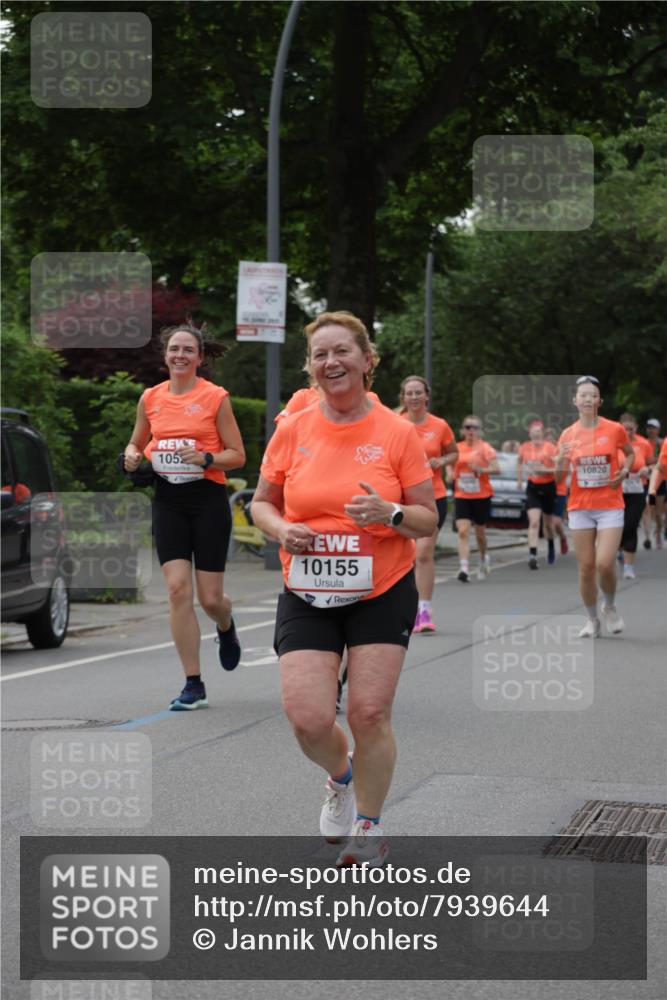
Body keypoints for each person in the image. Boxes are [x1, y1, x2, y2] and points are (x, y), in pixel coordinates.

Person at [251, 311, 436, 866]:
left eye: (342, 351)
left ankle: (370, 825)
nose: (331, 361)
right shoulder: (293, 429)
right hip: (308, 589)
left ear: (366, 360)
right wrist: (282, 529)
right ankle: (341, 777)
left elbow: (427, 518)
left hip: (382, 587)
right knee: (308, 717)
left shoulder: (397, 433)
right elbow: (261, 503)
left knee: (369, 713)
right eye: (320, 354)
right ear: (310, 367)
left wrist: (390, 512)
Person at [123, 321, 246, 709]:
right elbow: (136, 443)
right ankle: (193, 684)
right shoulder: (151, 398)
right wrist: (131, 456)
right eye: (174, 349)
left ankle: (225, 624)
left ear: (200, 357)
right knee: (178, 590)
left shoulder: (215, 397)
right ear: (165, 355)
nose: (180, 355)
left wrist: (206, 458)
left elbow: (238, 455)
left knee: (210, 599)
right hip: (168, 501)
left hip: (207, 500)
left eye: (188, 350)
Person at [554, 377, 634, 638]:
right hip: (580, 507)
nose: (588, 399)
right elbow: (558, 478)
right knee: (586, 567)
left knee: (604, 562)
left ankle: (609, 606)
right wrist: (560, 458)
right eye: (583, 395)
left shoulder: (615, 429)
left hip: (610, 504)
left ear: (600, 401)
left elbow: (630, 454)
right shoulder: (567, 435)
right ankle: (592, 620)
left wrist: (624, 471)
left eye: (593, 395)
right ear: (575, 401)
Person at [398, 375, 458, 632]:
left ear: (427, 396)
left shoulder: (440, 426)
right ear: (403, 398)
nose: (414, 397)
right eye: (409, 393)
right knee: (405, 556)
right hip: (402, 499)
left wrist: (441, 461)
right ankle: (404, 606)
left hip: (433, 497)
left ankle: (423, 610)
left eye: (418, 392)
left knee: (423, 553)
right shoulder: (395, 423)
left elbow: (453, 453)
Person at [453, 417, 499, 582]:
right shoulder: (457, 448)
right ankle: (464, 568)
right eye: (468, 427)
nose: (471, 430)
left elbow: (497, 468)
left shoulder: (485, 448)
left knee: (480, 533)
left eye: (475, 427)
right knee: (463, 531)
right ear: (462, 430)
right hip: (462, 495)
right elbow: (450, 465)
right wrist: (450, 474)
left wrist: (481, 469)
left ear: (480, 431)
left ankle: (483, 556)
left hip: (482, 496)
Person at [617, 413, 654, 580]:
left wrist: (647, 469)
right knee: (618, 524)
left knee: (631, 525)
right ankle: (619, 548)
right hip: (617, 489)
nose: (628, 432)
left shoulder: (643, 443)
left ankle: (628, 566)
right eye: (625, 429)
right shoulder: (614, 443)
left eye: (631, 429)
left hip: (638, 489)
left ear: (636, 428)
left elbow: (653, 464)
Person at [517, 420, 557, 569]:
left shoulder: (550, 448)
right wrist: (519, 480)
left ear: (542, 433)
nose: (535, 435)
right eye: (533, 433)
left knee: (548, 524)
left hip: (548, 487)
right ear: (529, 434)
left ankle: (551, 544)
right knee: (534, 522)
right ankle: (532, 555)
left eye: (538, 432)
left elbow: (558, 468)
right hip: (532, 487)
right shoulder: (525, 447)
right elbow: (519, 462)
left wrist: (544, 470)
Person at [544, 427, 569, 554]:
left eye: (551, 441)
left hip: (559, 490)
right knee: (547, 523)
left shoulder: (561, 453)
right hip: (545, 490)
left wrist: (546, 471)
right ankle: (551, 546)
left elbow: (563, 472)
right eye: (546, 441)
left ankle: (563, 537)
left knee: (556, 522)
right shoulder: (542, 454)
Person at [642, 418, 665, 549]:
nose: (650, 430)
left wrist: (654, 462)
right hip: (647, 481)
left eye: (653, 427)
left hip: (660, 481)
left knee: (658, 512)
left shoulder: (662, 443)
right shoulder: (643, 443)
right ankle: (648, 537)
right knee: (648, 507)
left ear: (658, 429)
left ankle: (658, 534)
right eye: (648, 427)